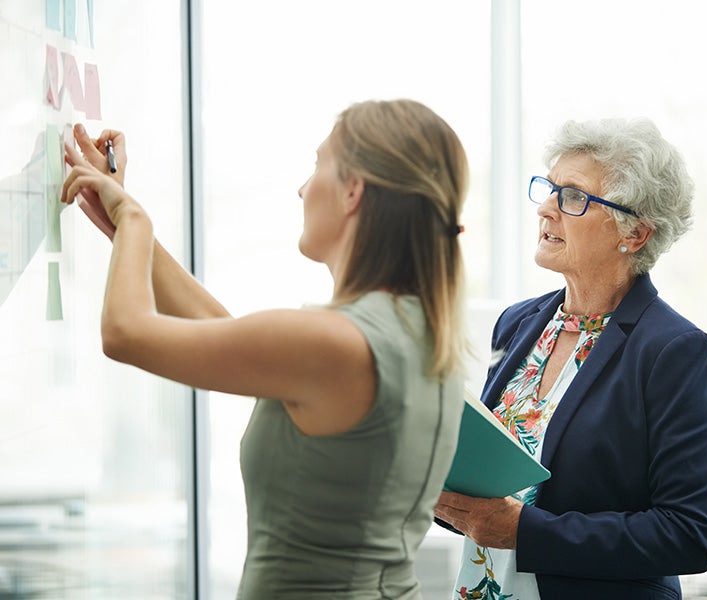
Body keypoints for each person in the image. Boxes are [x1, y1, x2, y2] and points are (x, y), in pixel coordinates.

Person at [60, 98, 470, 599]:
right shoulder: (414, 327)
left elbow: (124, 332)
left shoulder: (337, 341)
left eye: (319, 165)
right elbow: (235, 338)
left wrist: (136, 223)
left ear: (353, 192)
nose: (302, 188)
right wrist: (121, 222)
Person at [434, 117, 707, 599]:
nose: (546, 209)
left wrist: (525, 532)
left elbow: (690, 533)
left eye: (573, 196)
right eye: (549, 189)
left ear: (634, 234)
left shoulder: (677, 352)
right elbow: (492, 499)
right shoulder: (518, 323)